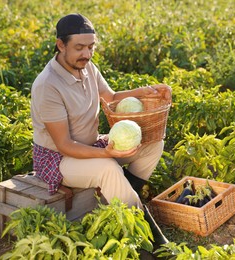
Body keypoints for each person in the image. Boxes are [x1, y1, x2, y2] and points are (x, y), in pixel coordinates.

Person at [30, 13, 172, 247]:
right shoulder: (48, 85)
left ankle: (122, 196)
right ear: (60, 45)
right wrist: (107, 154)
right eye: (79, 48)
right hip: (59, 158)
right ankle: (151, 240)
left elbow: (111, 97)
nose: (86, 54)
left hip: (90, 146)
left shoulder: (88, 68)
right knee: (107, 168)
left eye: (91, 47)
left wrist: (147, 91)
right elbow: (65, 145)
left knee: (152, 143)